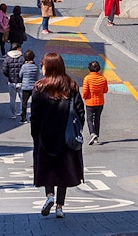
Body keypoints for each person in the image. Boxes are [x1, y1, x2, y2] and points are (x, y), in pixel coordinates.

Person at [30, 53, 84, 219]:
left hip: (45, 135)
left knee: (48, 169)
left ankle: (49, 196)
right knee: (63, 171)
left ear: (48, 67)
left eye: (43, 65)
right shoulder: (71, 85)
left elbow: (34, 115)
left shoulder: (40, 87)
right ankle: (60, 207)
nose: (41, 67)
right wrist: (76, 129)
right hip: (66, 136)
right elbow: (80, 112)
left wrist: (35, 134)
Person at [81, 61, 108, 145]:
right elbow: (105, 90)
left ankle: (93, 134)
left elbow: (85, 92)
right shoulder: (103, 78)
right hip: (100, 102)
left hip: (90, 102)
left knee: (89, 119)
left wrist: (85, 97)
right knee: (97, 119)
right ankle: (96, 137)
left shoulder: (87, 78)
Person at [19, 49, 40, 123]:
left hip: (25, 86)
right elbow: (37, 76)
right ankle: (33, 117)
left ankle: (24, 118)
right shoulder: (35, 66)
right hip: (33, 86)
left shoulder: (24, 66)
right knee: (34, 103)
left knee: (24, 103)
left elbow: (20, 75)